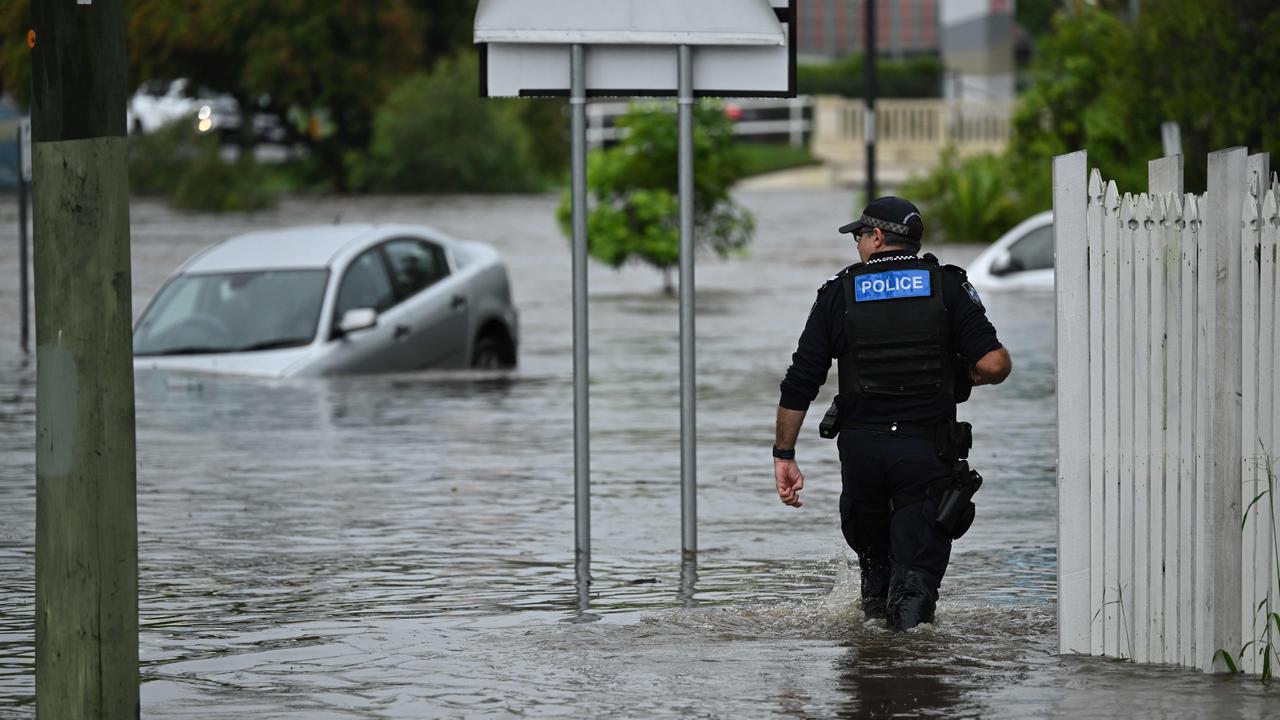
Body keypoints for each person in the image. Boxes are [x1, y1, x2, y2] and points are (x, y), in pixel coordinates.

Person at [771, 196, 1011, 631]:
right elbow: (994, 364)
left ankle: (871, 676)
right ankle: (912, 676)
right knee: (914, 591)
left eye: (860, 236)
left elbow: (801, 380)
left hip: (862, 454)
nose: (858, 245)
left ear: (877, 236)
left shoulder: (838, 292)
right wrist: (965, 372)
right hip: (926, 454)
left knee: (875, 583)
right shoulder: (948, 286)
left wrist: (784, 454)